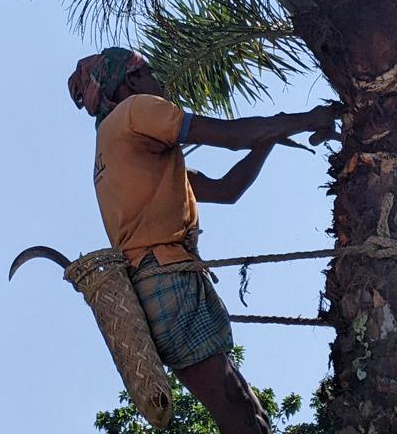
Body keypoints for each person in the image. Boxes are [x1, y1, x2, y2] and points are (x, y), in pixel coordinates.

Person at [68, 47, 336, 434]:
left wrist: (270, 138)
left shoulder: (122, 148)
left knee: (244, 406)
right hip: (165, 279)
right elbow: (230, 138)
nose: (158, 83)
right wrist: (305, 119)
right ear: (130, 81)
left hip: (163, 281)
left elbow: (227, 189)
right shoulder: (136, 111)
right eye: (149, 73)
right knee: (236, 409)